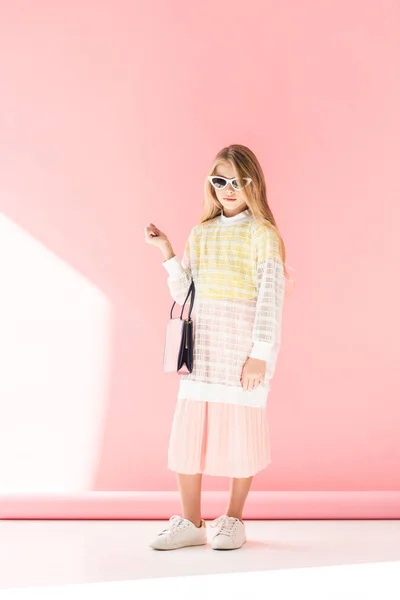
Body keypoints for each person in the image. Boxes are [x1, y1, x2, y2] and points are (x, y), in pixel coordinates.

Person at [144, 144, 294, 551]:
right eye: (220, 180)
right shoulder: (202, 233)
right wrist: (168, 253)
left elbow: (270, 297)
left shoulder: (263, 235)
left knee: (241, 430)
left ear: (253, 185)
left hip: (243, 350)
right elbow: (185, 291)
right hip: (205, 349)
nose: (229, 189)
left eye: (239, 181)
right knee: (191, 430)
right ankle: (191, 521)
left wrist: (260, 354)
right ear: (210, 184)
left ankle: (232, 519)